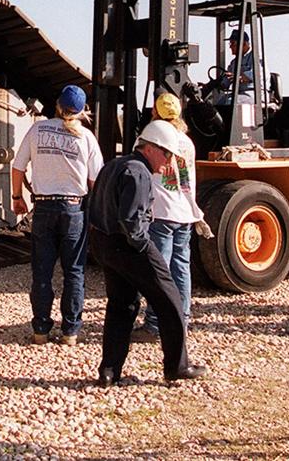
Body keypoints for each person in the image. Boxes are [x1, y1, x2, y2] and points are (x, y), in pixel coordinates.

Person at [88, 119, 207, 386]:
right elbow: (132, 222)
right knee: (171, 300)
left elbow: (94, 205)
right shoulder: (139, 173)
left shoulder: (112, 165)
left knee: (122, 305)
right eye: (167, 154)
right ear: (151, 148)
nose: (169, 162)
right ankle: (177, 366)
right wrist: (144, 248)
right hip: (129, 246)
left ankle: (109, 371)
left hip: (103, 244)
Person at [10, 85, 103, 346]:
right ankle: (70, 332)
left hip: (43, 207)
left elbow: (18, 167)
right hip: (74, 209)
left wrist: (17, 198)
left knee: (42, 271)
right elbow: (97, 180)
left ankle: (40, 331)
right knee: (74, 272)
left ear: (58, 105)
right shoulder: (86, 138)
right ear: (83, 111)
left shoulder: (38, 129)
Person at [133, 92, 212, 341]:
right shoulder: (188, 142)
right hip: (184, 212)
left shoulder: (151, 137)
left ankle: (156, 325)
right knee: (181, 268)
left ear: (155, 113)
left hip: (161, 213)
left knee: (159, 271)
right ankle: (182, 318)